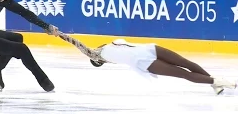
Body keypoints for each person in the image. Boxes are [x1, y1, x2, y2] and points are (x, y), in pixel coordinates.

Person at [58, 31, 237, 95]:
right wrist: (61, 35)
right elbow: (79, 45)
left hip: (148, 49)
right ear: (97, 60)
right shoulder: (99, 55)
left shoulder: (113, 44)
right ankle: (216, 81)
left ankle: (214, 81)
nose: (94, 51)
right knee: (184, 72)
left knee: (185, 63)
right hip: (144, 59)